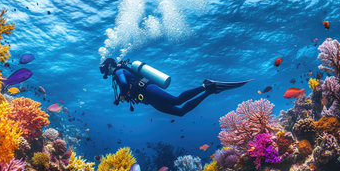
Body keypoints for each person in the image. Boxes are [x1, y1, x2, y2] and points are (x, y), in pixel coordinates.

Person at [99, 58, 252, 117]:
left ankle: (205, 85)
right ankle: (209, 91)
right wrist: (125, 95)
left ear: (109, 65)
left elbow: (125, 84)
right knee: (180, 113)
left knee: (177, 100)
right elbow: (126, 86)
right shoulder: (118, 72)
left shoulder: (119, 71)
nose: (103, 72)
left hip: (148, 90)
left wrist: (123, 95)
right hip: (148, 98)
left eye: (103, 68)